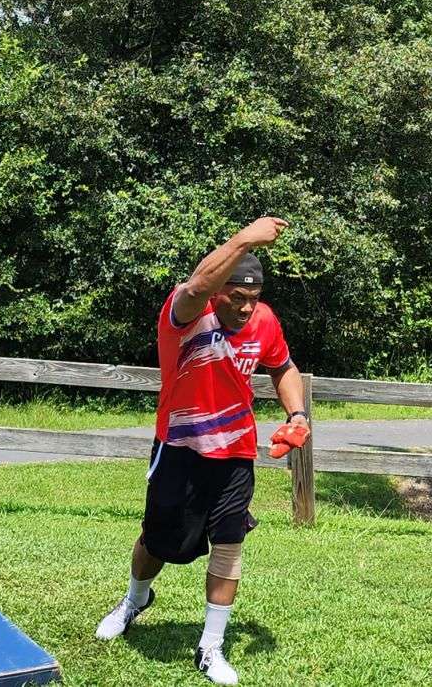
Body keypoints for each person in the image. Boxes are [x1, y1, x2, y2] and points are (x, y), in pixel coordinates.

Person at [95, 217, 310, 685]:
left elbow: (284, 367)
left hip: (234, 456)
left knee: (230, 545)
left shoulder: (265, 320)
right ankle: (135, 600)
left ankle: (210, 648)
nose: (247, 308)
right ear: (218, 291)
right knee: (157, 542)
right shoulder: (187, 312)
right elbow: (195, 285)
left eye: (253, 299)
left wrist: (297, 416)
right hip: (179, 450)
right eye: (237, 297)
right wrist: (245, 238)